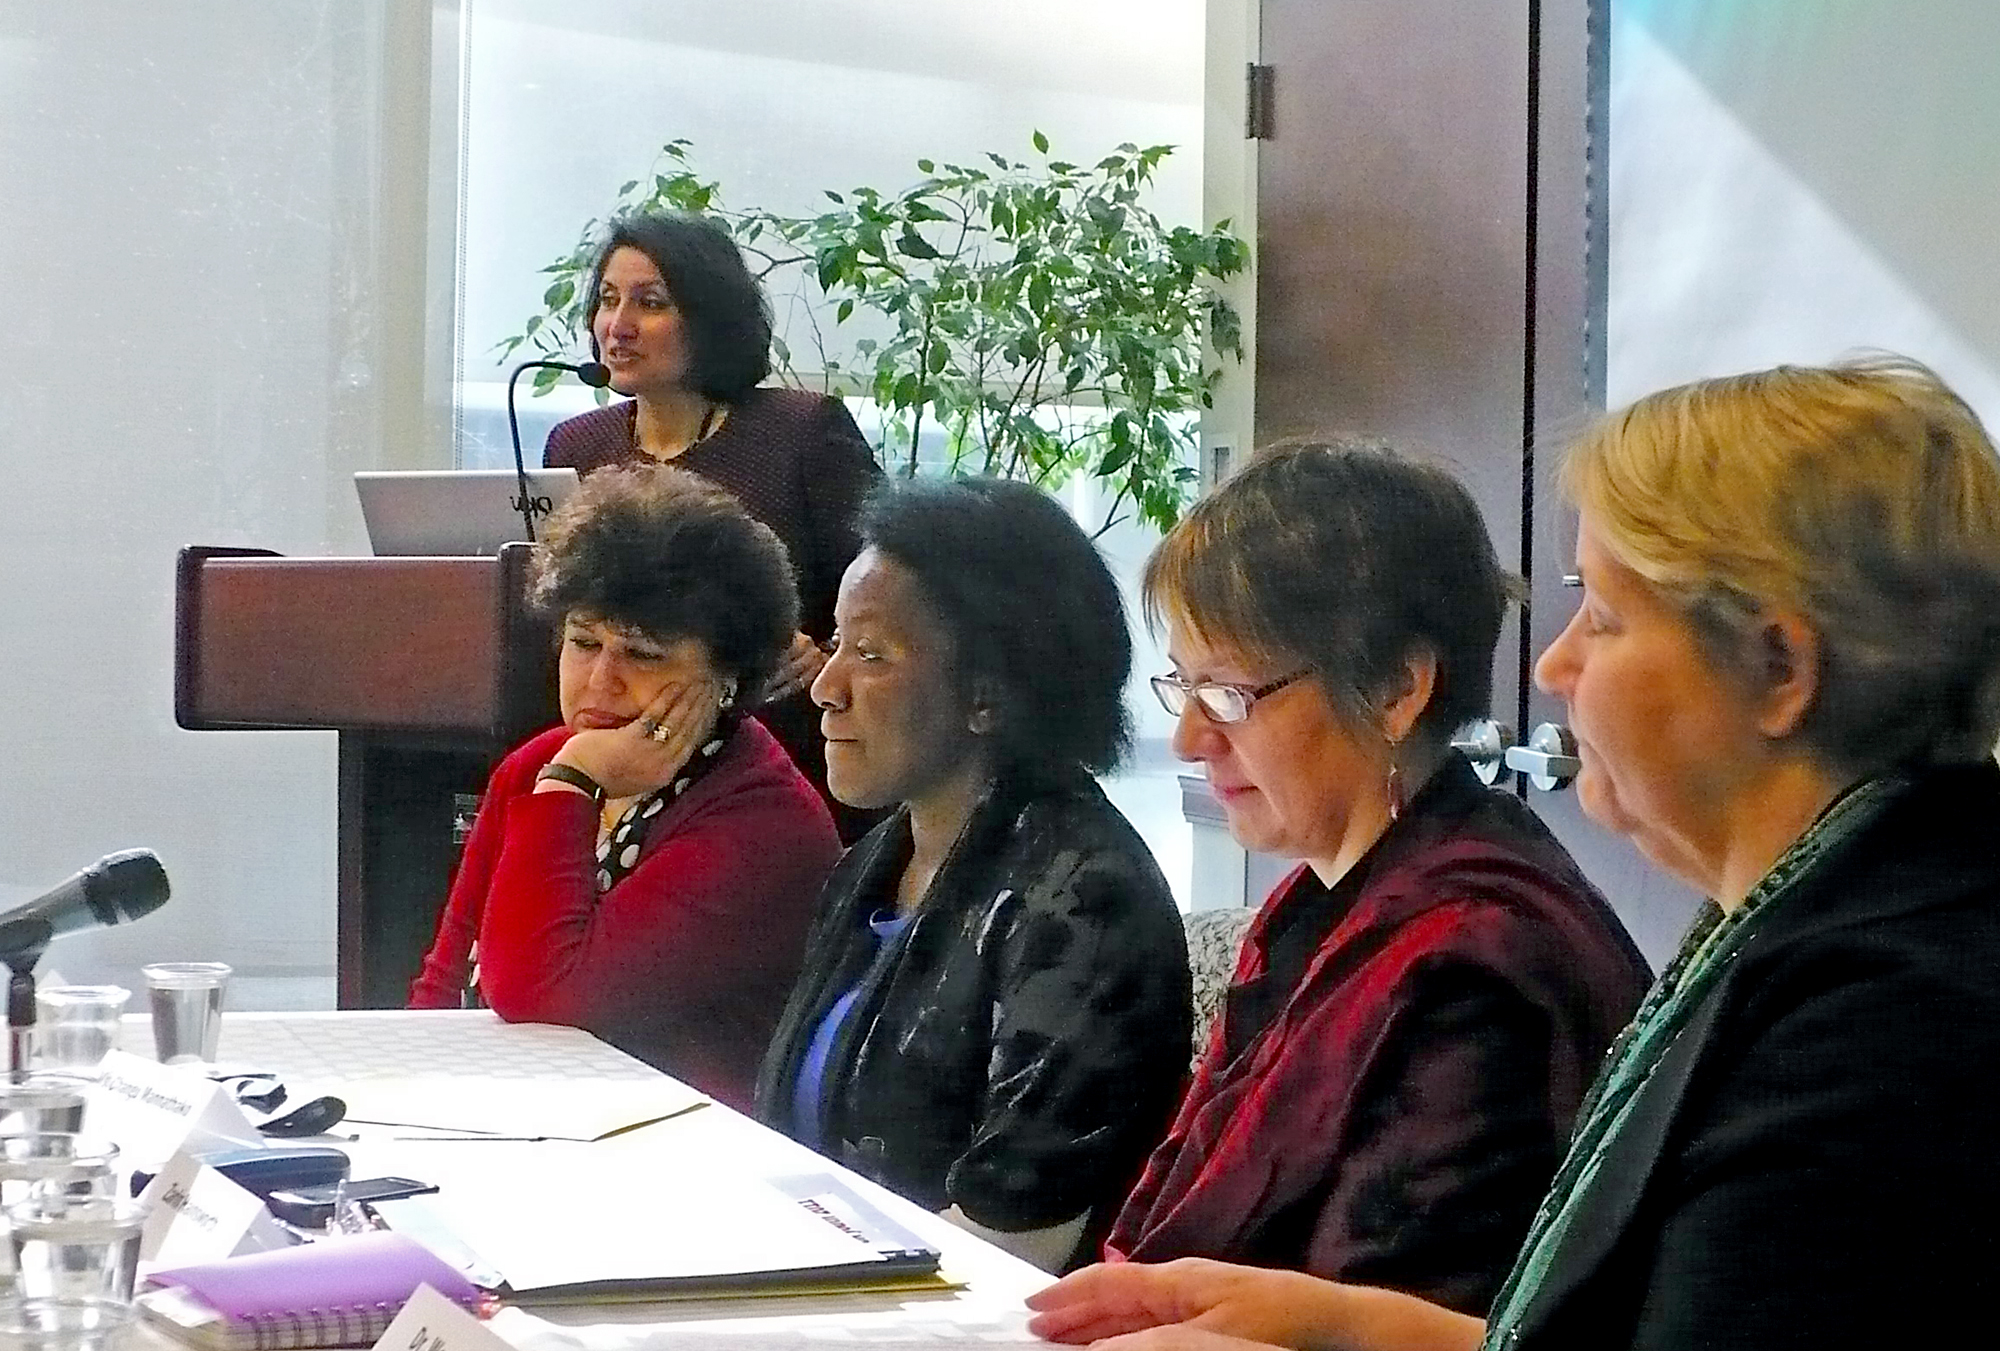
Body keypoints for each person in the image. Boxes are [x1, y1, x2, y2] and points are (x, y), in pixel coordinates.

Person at [1026, 357, 2000, 1351]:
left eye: (1606, 616)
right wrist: (1350, 1329)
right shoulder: (1824, 920)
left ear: (1777, 666)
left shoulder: (1883, 1022)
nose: (1553, 662)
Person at [1097, 441, 1649, 1313]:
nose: (1191, 739)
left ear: (1396, 685)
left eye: (1232, 693)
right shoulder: (1319, 902)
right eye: (1185, 688)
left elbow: (1388, 1302)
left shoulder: (1477, 962)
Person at [754, 477, 1192, 1273]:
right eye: (836, 644)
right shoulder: (872, 862)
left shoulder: (1086, 899)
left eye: (873, 655)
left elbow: (1011, 1239)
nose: (825, 688)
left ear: (987, 694)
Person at [410, 465, 841, 1112]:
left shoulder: (762, 822)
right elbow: (443, 985)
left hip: (677, 1155)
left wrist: (572, 783)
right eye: (583, 642)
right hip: (511, 1119)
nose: (599, 681)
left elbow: (540, 990)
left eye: (642, 655)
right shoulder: (538, 765)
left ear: (725, 676)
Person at [544, 211, 882, 839]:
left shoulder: (802, 432)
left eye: (649, 303)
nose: (617, 326)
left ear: (709, 318)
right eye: (607, 301)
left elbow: (888, 587)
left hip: (782, 758)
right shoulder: (576, 446)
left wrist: (825, 652)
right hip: (627, 763)